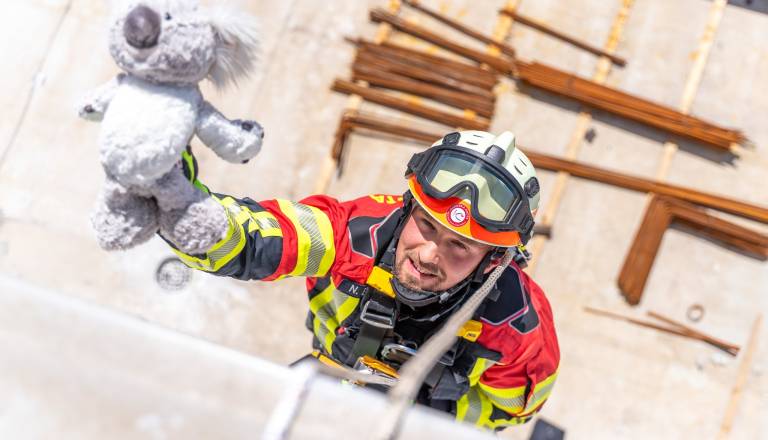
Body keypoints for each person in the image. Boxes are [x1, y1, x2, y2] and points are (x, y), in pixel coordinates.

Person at [167, 130, 559, 430]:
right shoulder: (358, 233)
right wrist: (174, 202)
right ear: (407, 209)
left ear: (493, 262)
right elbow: (255, 239)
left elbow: (510, 409)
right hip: (326, 383)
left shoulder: (518, 326)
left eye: (459, 246)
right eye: (425, 225)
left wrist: (428, 419)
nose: (427, 255)